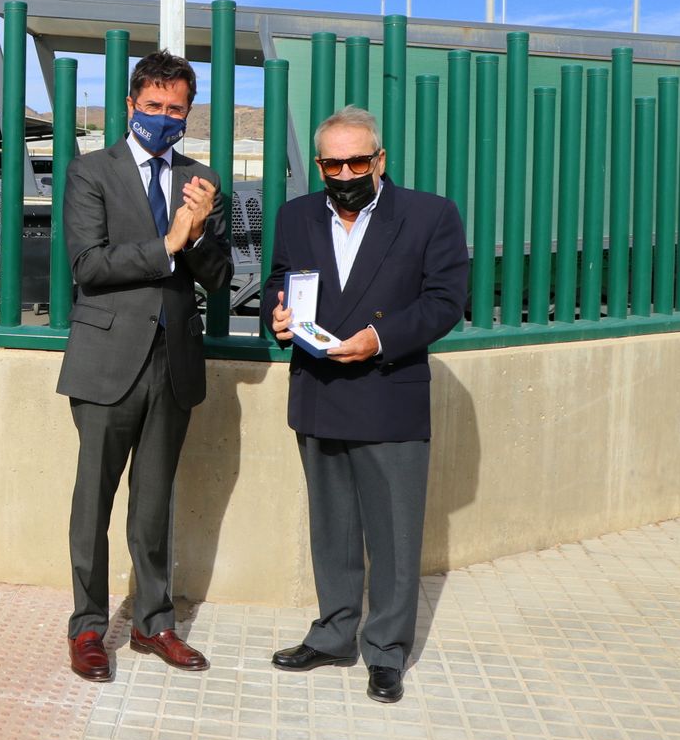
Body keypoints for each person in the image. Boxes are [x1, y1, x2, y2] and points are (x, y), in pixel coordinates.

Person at [264, 105, 467, 704]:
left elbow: (445, 300)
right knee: (332, 529)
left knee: (395, 534)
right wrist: (279, 311)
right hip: (319, 390)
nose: (347, 170)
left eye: (359, 159)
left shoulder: (430, 215)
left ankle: (386, 651)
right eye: (334, 162)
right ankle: (332, 635)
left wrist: (379, 339)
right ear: (320, 165)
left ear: (380, 159)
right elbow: (281, 277)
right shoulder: (295, 215)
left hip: (389, 391)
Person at [57, 50, 233, 683]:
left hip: (173, 362)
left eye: (176, 109)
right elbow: (90, 267)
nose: (164, 118)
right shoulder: (90, 172)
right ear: (131, 105)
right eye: (153, 107)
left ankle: (153, 623)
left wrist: (203, 229)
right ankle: (86, 629)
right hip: (107, 362)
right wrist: (168, 243)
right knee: (93, 503)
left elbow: (220, 279)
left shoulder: (202, 178)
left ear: (188, 113)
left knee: (154, 502)